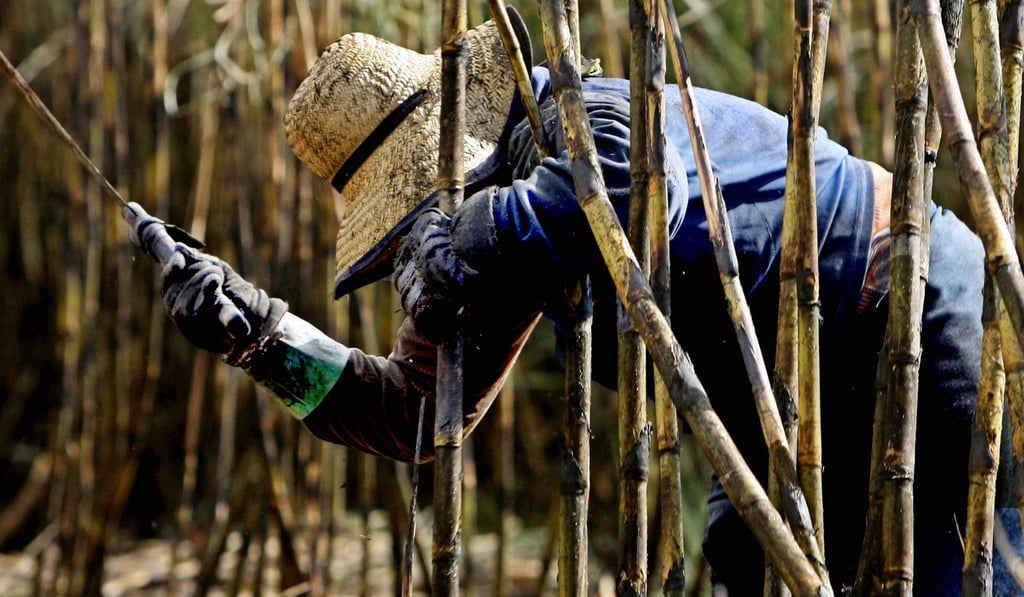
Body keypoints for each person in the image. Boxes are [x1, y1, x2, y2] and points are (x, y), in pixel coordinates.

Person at [137, 8, 1022, 595]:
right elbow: (416, 416)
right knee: (747, 561)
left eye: (414, 214)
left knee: (956, 566)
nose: (414, 243)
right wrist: (259, 336)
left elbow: (641, 199)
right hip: (775, 392)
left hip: (902, 298)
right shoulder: (501, 235)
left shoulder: (583, 116)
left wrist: (467, 234)